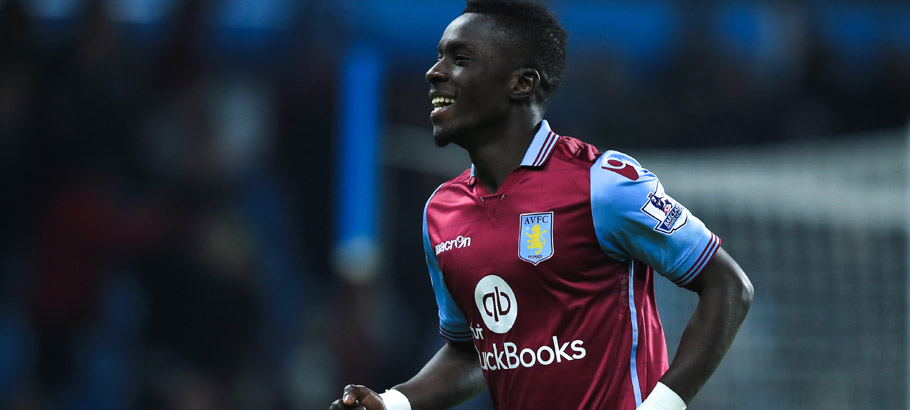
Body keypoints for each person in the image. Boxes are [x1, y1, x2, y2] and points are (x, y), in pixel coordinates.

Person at [331, 1, 754, 409]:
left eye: (460, 58)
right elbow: (474, 352)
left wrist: (662, 405)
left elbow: (729, 286)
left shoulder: (602, 183)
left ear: (521, 83)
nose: (434, 72)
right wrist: (393, 402)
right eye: (439, 57)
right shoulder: (442, 213)